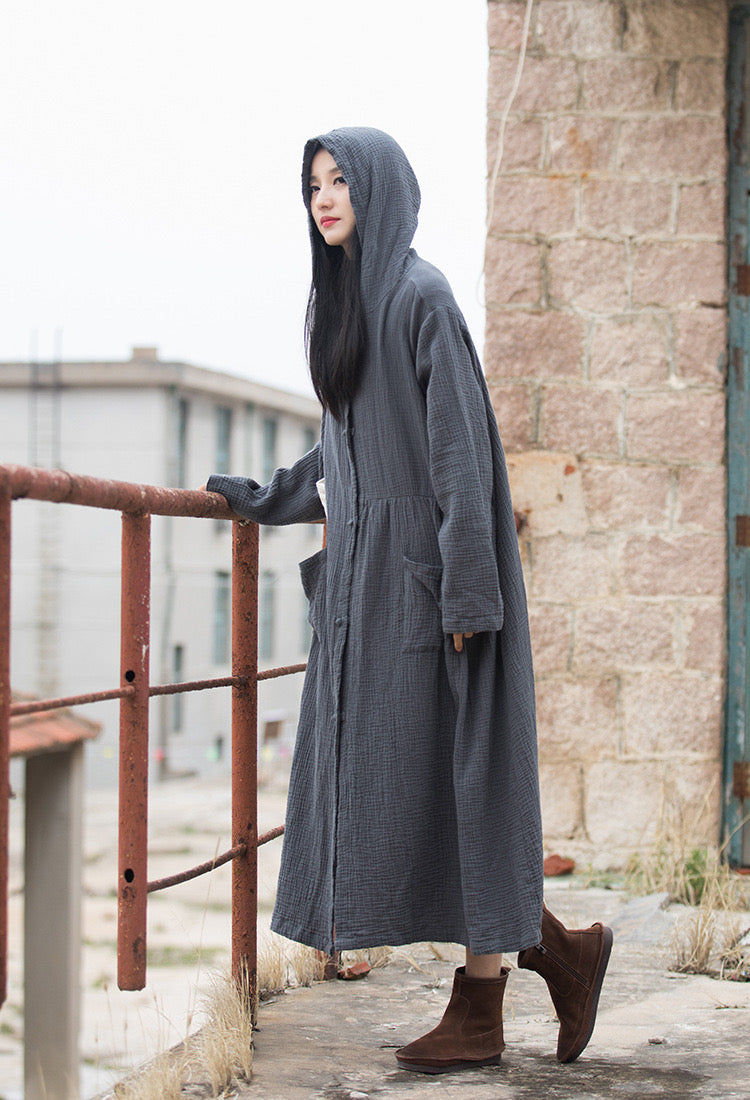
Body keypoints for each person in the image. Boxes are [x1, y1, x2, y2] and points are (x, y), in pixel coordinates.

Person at [204, 127, 612, 1073]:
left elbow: (461, 458)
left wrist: (466, 597)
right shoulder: (341, 306)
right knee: (408, 789)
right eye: (313, 184)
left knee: (461, 785)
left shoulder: (422, 295)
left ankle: (486, 1005)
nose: (324, 197)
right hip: (368, 591)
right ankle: (560, 956)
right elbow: (345, 450)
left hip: (434, 589)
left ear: (379, 186)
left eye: (340, 179)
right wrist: (270, 497)